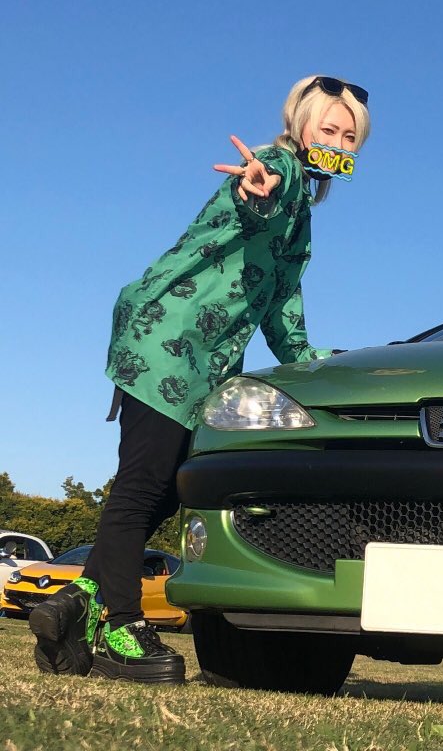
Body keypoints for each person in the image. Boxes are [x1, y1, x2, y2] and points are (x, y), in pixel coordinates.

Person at [28, 75, 371, 684]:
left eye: (350, 138)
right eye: (329, 129)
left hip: (206, 358)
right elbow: (258, 196)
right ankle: (120, 627)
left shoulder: (300, 210)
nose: (338, 145)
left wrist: (316, 362)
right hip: (168, 339)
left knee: (174, 486)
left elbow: (281, 303)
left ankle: (77, 604)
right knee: (142, 485)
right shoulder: (278, 171)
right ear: (299, 125)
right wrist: (256, 193)